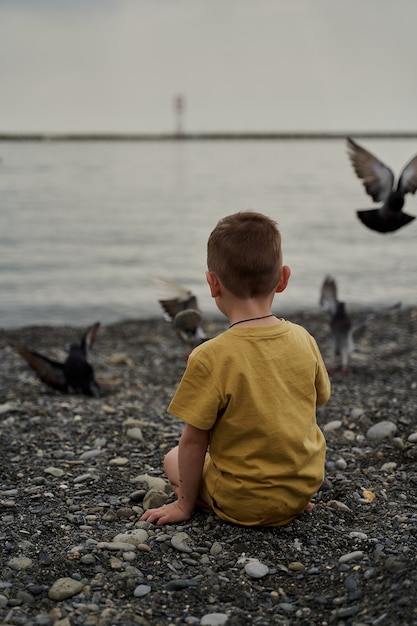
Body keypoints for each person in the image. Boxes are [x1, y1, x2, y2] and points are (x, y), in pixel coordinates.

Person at [141, 211, 330, 527]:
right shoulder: (303, 338)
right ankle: (287, 497)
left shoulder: (210, 356)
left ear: (212, 284)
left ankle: (197, 501)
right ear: (283, 278)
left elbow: (193, 441)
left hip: (242, 503)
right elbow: (316, 400)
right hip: (301, 489)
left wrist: (183, 504)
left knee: (173, 457)